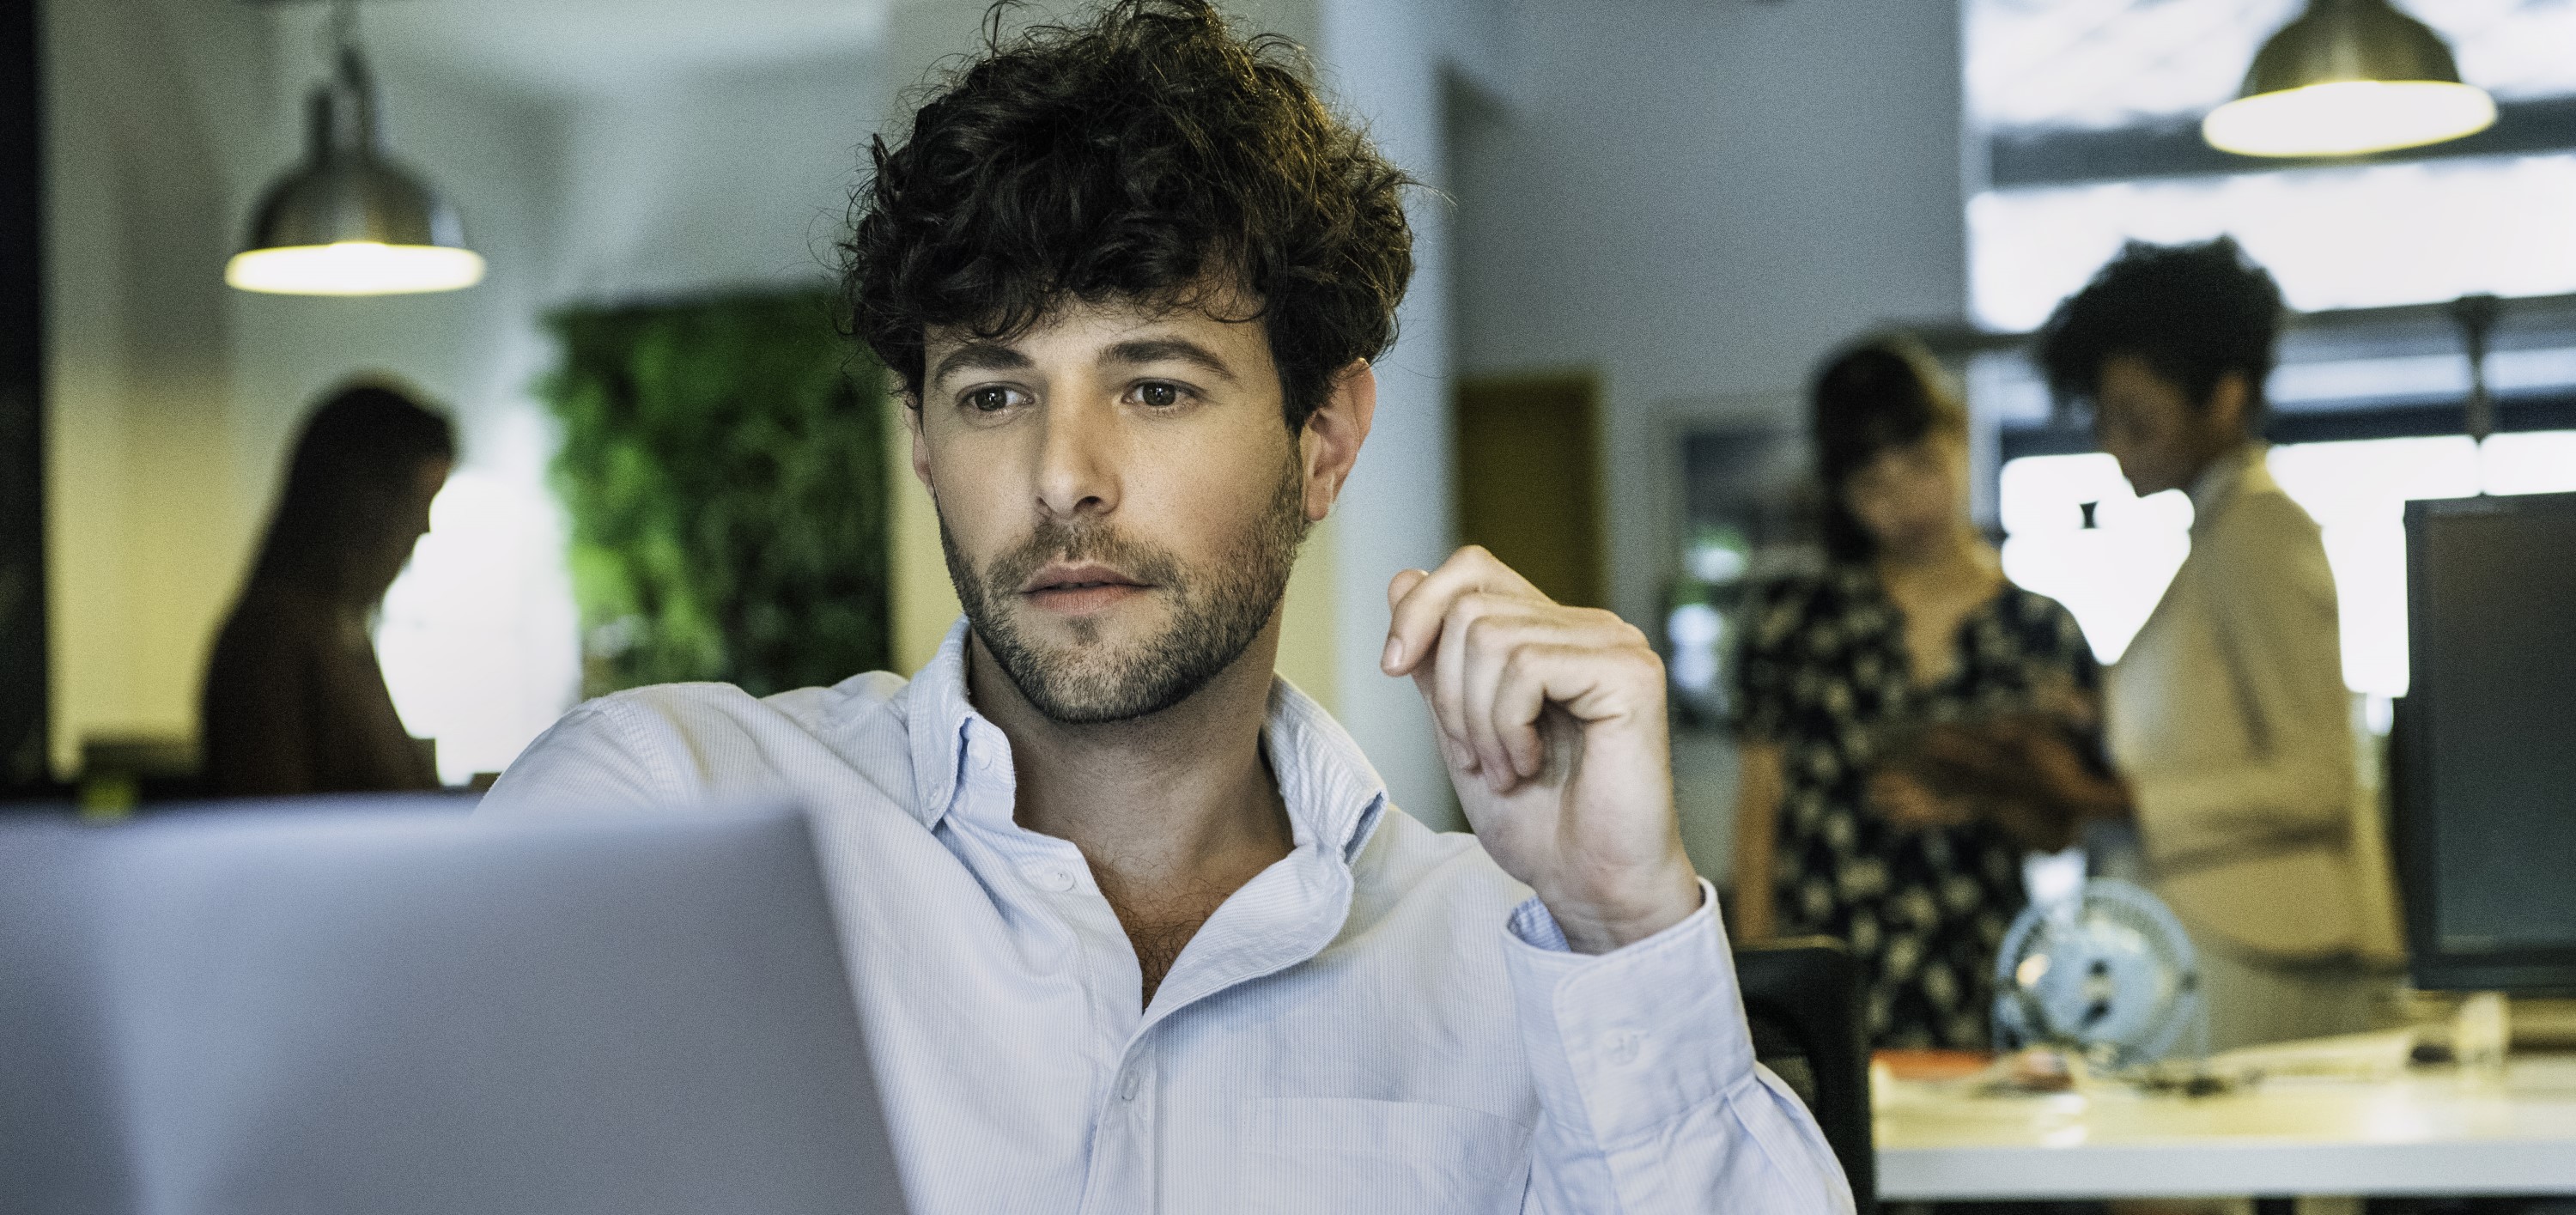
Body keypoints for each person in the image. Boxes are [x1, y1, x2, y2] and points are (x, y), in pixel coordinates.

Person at [479, 4, 1850, 1213]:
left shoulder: (1515, 955)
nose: (1062, 475)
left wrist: (1622, 927)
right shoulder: (667, 811)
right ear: (921, 441)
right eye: (994, 392)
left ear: (1324, 437)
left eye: (1155, 385)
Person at [2034, 237, 2400, 1052]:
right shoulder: (2221, 537)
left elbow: (2316, 777)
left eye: (2138, 418)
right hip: (2235, 942)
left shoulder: (2259, 532)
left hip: (2269, 950)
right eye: (2104, 417)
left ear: (2225, 400)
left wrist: (2122, 797)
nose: (2113, 442)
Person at [1729, 337, 2112, 1050]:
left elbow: (2061, 828)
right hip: (1827, 966)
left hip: (1978, 966)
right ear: (1842, 495)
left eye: (1921, 465)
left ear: (1958, 432)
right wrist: (1756, 988)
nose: (1906, 501)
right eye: (1872, 486)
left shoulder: (2040, 628)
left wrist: (1981, 796)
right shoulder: (1794, 621)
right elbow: (1760, 815)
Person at [199, 383, 451, 797]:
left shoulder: (336, 634)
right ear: (368, 504)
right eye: (420, 501)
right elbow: (281, 833)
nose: (424, 527)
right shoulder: (273, 640)